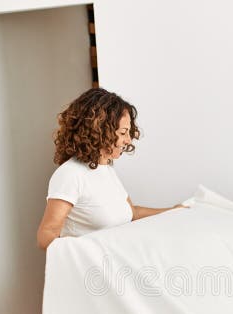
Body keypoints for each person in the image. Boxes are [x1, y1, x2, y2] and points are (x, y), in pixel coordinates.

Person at [36, 88, 187, 251]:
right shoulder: (70, 174)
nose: (128, 140)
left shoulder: (106, 169)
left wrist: (172, 211)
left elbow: (132, 214)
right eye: (123, 132)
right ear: (99, 131)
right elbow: (46, 236)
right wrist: (88, 250)